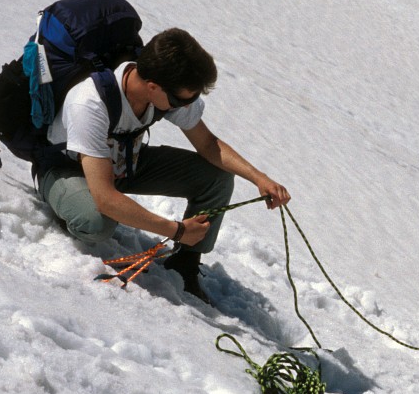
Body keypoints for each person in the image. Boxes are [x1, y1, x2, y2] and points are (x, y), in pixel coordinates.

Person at [39, 27, 290, 302]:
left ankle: (185, 265)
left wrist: (258, 178)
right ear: (153, 86)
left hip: (125, 162)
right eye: (182, 99)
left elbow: (208, 144)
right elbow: (105, 198)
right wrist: (177, 230)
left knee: (216, 178)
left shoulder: (164, 95)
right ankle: (70, 206)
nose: (187, 106)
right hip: (69, 171)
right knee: (97, 221)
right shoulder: (89, 103)